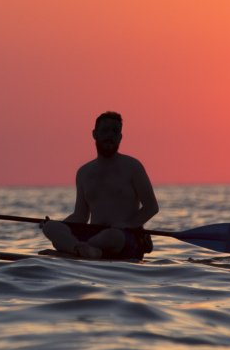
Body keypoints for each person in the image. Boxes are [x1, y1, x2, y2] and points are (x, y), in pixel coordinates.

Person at [41, 111, 159, 260]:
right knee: (51, 227)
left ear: (120, 137)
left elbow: (151, 207)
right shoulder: (84, 172)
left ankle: (75, 250)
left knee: (112, 236)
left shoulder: (133, 167)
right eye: (105, 130)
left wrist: (127, 224)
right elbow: (81, 216)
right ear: (94, 134)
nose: (110, 135)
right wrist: (60, 225)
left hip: (123, 236)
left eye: (115, 131)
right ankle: (82, 249)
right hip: (93, 234)